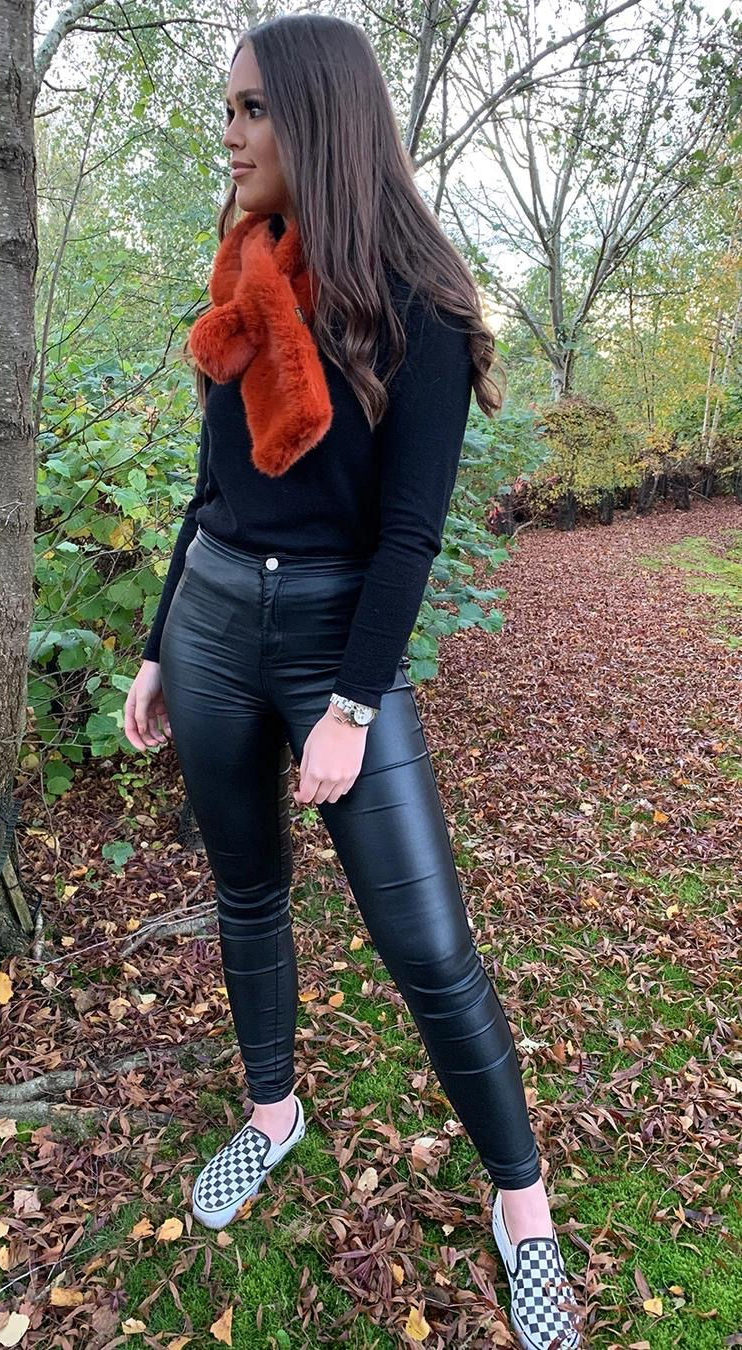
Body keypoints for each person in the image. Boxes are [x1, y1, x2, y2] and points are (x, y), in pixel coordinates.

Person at [124, 15, 583, 1349]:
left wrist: (351, 706)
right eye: (228, 108)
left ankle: (523, 1204)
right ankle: (273, 1111)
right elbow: (210, 490)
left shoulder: (418, 304)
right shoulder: (241, 275)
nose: (231, 134)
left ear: (320, 118)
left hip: (339, 641)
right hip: (213, 621)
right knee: (247, 891)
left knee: (429, 945)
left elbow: (411, 536)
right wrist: (158, 641)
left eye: (253, 109)